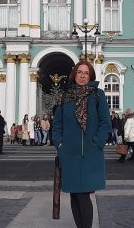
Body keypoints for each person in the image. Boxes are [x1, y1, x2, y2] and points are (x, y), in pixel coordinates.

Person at [53, 60, 112, 228]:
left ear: (90, 76)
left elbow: (105, 122)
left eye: (86, 73)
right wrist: (59, 144)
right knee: (74, 195)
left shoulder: (97, 94)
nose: (82, 75)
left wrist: (98, 142)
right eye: (80, 72)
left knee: (83, 195)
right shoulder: (66, 95)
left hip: (90, 153)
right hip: (69, 153)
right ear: (75, 74)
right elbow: (57, 124)